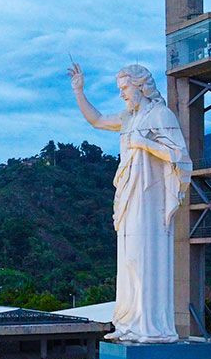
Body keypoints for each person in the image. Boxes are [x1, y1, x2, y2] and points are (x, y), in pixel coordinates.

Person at [67, 62, 190, 343]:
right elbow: (96, 120)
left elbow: (181, 157)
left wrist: (145, 144)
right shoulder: (128, 119)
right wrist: (79, 91)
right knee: (129, 259)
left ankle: (149, 325)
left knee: (144, 256)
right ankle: (130, 323)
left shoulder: (161, 115)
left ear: (140, 86)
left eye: (124, 88)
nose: (122, 94)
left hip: (150, 199)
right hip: (129, 197)